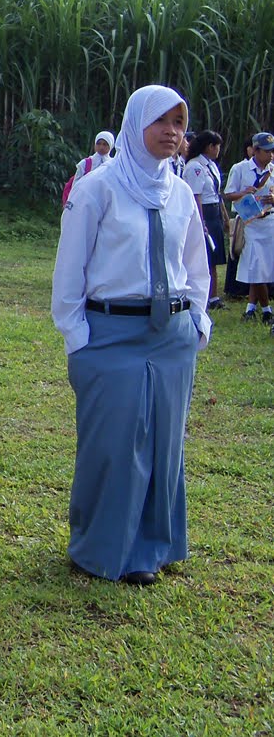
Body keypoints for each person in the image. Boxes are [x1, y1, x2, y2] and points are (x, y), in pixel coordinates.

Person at [52, 85, 209, 585]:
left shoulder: (180, 191)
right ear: (135, 123)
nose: (173, 133)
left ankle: (151, 550)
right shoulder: (98, 188)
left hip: (172, 337)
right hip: (109, 335)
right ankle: (99, 548)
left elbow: (194, 267)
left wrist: (198, 322)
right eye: (162, 121)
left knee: (164, 446)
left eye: (180, 124)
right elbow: (69, 270)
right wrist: (77, 337)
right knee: (114, 445)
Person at [224, 132, 274, 323]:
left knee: (264, 268)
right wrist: (243, 193)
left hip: (269, 222)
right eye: (266, 151)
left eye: (272, 151)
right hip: (250, 223)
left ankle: (252, 309)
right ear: (255, 150)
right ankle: (267, 310)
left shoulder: (272, 170)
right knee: (256, 265)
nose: (270, 155)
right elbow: (228, 194)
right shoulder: (240, 168)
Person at [182, 129, 227, 310]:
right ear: (209, 146)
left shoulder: (211, 165)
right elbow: (196, 195)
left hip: (214, 209)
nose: (218, 150)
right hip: (204, 211)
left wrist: (223, 214)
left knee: (214, 257)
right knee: (205, 256)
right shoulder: (195, 166)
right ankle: (203, 295)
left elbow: (216, 192)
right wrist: (201, 221)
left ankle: (214, 296)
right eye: (216, 146)